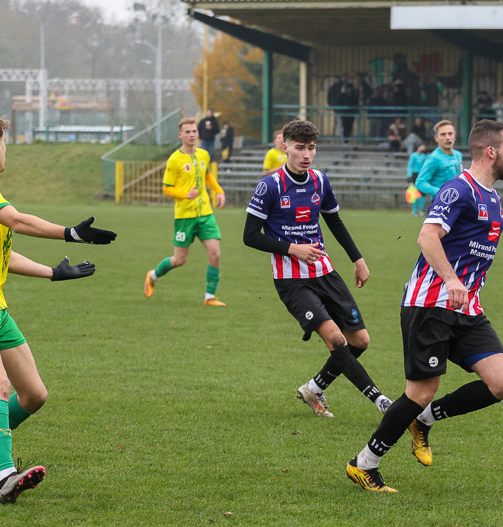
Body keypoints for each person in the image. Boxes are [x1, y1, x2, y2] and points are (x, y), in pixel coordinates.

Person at [0, 109, 116, 504]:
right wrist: (69, 233)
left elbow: (4, 255)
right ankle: (6, 475)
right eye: (7, 144)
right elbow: (17, 222)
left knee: (33, 394)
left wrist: (54, 273)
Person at [345, 119, 503, 493]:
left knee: (501, 383)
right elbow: (427, 236)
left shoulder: (494, 198)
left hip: (467, 309)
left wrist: (467, 286)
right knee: (420, 389)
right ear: (491, 152)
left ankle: (425, 418)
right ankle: (364, 463)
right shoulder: (459, 190)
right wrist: (453, 279)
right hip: (431, 304)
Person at [244, 119, 392, 417]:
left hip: (324, 271)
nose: (306, 155)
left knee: (359, 340)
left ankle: (315, 387)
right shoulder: (270, 185)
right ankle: (382, 401)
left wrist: (358, 259)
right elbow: (250, 236)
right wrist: (292, 248)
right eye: (299, 148)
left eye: (311, 148)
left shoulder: (320, 180)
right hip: (291, 280)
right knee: (337, 340)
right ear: (285, 147)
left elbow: (334, 221)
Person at [143, 117, 228, 306]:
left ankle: (209, 297)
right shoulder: (174, 160)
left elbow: (207, 176)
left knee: (215, 253)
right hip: (185, 217)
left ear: (198, 134)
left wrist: (219, 191)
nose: (191, 135)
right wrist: (185, 194)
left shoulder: (204, 155)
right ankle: (153, 274)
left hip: (205, 214)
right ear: (180, 135)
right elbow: (167, 188)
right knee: (179, 259)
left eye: (194, 131)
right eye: (187, 132)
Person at [415, 120, 463, 207]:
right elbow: (420, 183)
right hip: (440, 205)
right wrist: (441, 192)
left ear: (454, 136)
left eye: (450, 134)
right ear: (436, 138)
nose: (447, 137)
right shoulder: (434, 158)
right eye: (443, 134)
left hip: (457, 204)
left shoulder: (458, 155)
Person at [407, 143, 429, 215]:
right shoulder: (413, 155)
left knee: (422, 192)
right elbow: (410, 165)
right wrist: (409, 175)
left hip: (422, 174)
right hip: (415, 174)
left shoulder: (424, 156)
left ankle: (421, 210)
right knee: (414, 192)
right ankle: (414, 210)